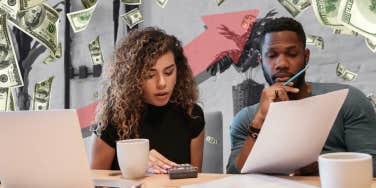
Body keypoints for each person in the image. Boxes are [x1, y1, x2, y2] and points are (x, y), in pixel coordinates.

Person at [226, 17, 376, 176]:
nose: (281, 63)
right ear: (261, 60)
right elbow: (234, 175)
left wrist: (321, 168)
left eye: (292, 54)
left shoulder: (348, 99)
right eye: (271, 55)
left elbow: (372, 165)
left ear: (306, 56)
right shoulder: (246, 119)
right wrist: (260, 119)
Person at [90, 27, 205, 174]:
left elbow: (196, 180)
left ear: (179, 70)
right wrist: (135, 165)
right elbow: (94, 182)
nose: (162, 83)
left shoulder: (192, 114)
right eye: (150, 75)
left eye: (169, 72)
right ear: (132, 79)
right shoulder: (112, 120)